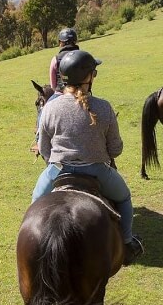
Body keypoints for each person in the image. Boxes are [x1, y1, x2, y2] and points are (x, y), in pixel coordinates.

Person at [32, 50, 144, 264]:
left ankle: (35, 247)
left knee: (36, 202)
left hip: (58, 170)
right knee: (124, 198)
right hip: (97, 171)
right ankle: (128, 241)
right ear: (88, 78)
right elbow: (115, 149)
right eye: (94, 72)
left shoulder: (50, 108)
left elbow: (45, 149)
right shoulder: (103, 107)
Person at [32, 28, 80, 154]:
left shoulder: (56, 59)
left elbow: (53, 85)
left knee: (43, 114)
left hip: (60, 94)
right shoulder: (83, 56)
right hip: (82, 93)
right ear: (75, 41)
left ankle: (39, 140)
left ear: (61, 42)